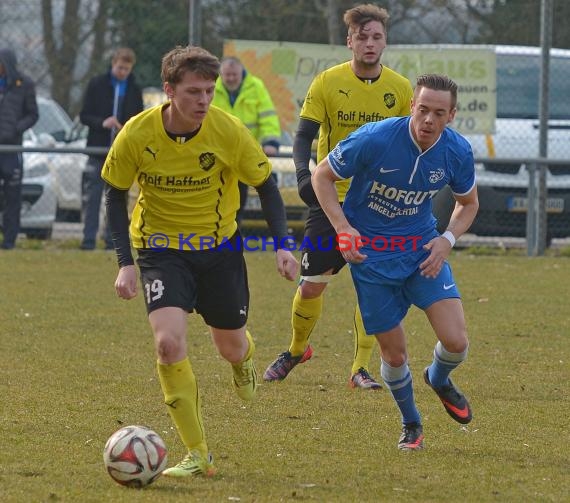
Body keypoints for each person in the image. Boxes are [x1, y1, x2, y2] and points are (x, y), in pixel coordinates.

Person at [102, 45, 298, 477]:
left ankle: (243, 358)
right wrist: (125, 261)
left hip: (218, 250)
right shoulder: (137, 134)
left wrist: (283, 245)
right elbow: (115, 193)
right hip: (160, 250)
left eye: (209, 91)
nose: (204, 101)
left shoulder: (228, 131)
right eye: (194, 92)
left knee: (229, 345)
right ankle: (198, 454)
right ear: (168, 91)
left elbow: (266, 185)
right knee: (168, 343)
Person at [312, 73, 479, 450]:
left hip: (422, 250)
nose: (428, 120)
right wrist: (342, 227)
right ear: (411, 107)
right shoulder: (375, 139)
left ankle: (438, 378)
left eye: (439, 113)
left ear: (451, 115)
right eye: (423, 110)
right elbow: (322, 176)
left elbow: (468, 204)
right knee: (394, 352)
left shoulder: (456, 151)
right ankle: (411, 423)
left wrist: (446, 241)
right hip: (371, 257)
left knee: (456, 342)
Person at [263, 4, 413, 389]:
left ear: (385, 41)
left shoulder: (399, 89)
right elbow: (303, 137)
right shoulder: (327, 82)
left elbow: (409, 145)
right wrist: (303, 174)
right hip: (331, 197)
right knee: (312, 283)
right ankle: (297, 349)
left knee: (374, 283)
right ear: (350, 41)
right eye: (362, 37)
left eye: (376, 36)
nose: (369, 43)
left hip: (379, 202)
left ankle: (359, 369)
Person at [79, 47, 143, 250]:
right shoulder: (97, 84)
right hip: (98, 150)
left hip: (121, 153)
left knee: (117, 198)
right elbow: (84, 115)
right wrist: (102, 123)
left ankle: (112, 240)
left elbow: (138, 119)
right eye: (119, 67)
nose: (122, 72)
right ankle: (88, 240)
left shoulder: (134, 89)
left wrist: (126, 127)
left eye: (126, 68)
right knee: (93, 197)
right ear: (113, 63)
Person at [212, 56, 281, 223]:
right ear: (221, 73)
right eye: (227, 74)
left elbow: (267, 117)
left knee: (239, 198)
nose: (230, 78)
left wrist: (270, 143)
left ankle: (236, 229)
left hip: (245, 152)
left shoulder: (256, 87)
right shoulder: (212, 87)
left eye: (234, 74)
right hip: (216, 153)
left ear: (241, 72)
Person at [0, 48, 38, 250]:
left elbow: (33, 115)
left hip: (12, 150)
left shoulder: (25, 84)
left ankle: (9, 240)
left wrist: (16, 128)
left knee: (13, 196)